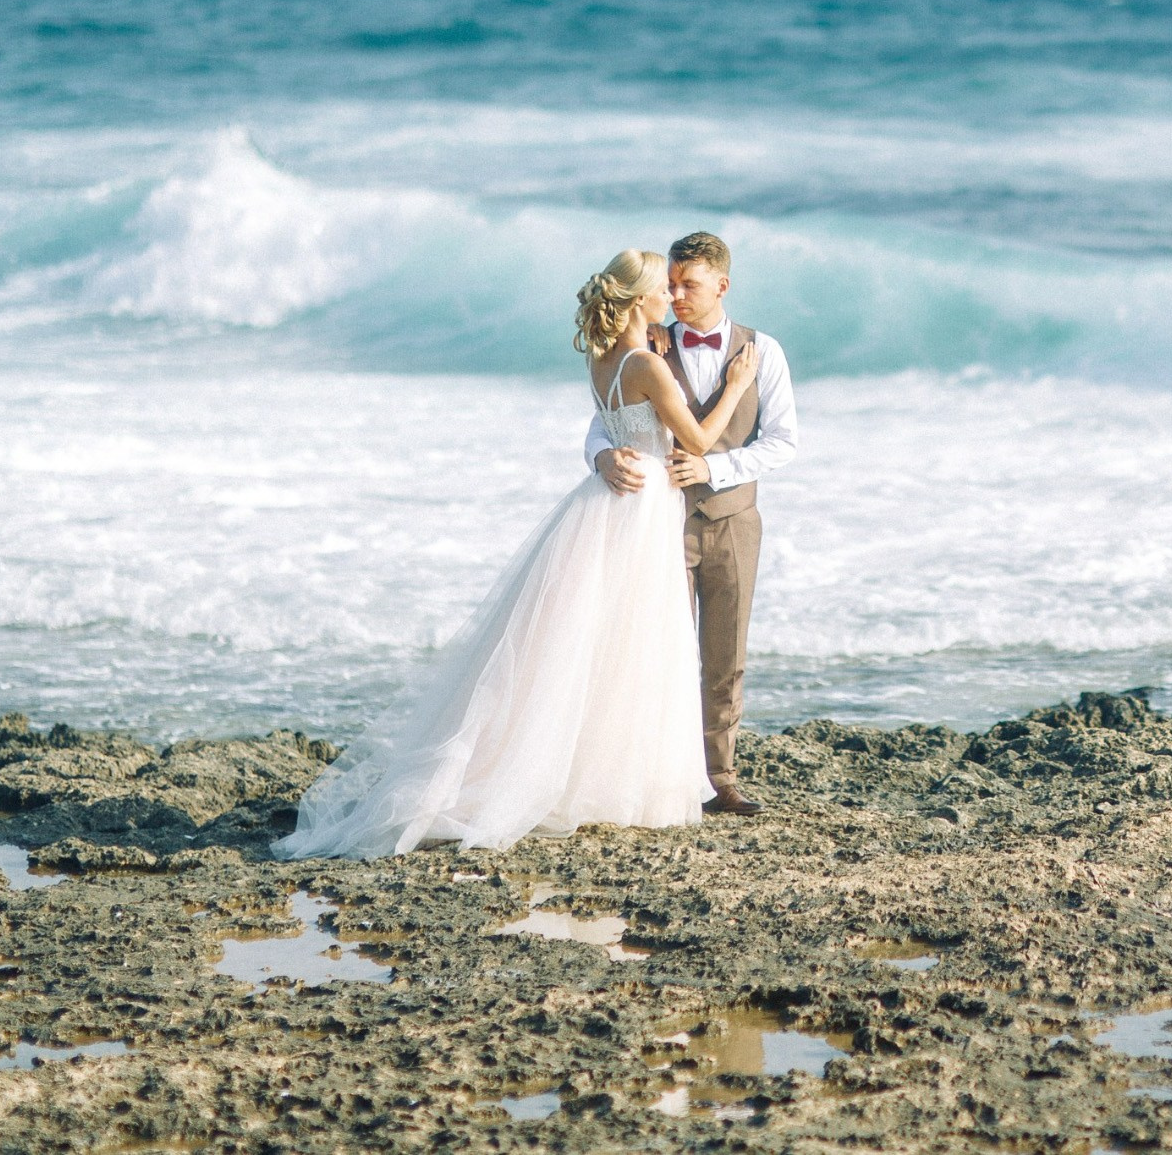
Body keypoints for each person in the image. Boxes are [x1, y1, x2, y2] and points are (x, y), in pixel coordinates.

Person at [272, 250, 751, 858]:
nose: (671, 298)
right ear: (638, 301)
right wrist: (735, 387)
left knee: (595, 643)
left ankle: (586, 773)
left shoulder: (605, 358)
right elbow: (701, 439)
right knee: (633, 640)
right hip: (641, 506)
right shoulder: (648, 366)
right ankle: (609, 781)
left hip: (614, 506)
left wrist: (608, 451)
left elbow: (614, 421)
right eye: (662, 288)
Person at [584, 232, 799, 815]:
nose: (676, 295)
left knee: (725, 654)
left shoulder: (764, 352)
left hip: (733, 520)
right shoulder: (647, 343)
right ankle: (662, 775)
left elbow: (783, 442)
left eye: (689, 285)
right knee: (660, 650)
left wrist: (716, 466)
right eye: (670, 284)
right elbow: (609, 420)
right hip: (660, 522)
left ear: (722, 286)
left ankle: (721, 778)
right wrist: (601, 456)